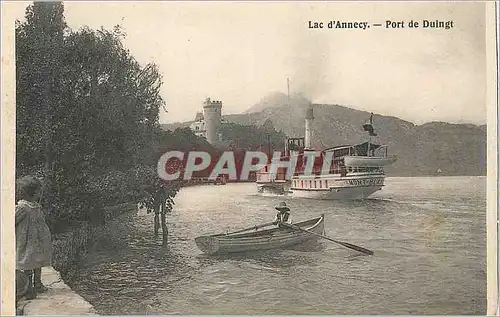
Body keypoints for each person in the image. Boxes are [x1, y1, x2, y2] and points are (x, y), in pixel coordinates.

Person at [15, 176, 52, 300]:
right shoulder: (22, 208)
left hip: (38, 241)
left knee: (38, 261)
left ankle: (38, 284)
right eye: (37, 192)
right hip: (27, 242)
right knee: (28, 263)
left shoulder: (35, 206)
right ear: (31, 193)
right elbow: (11, 221)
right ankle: (28, 287)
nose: (39, 194)